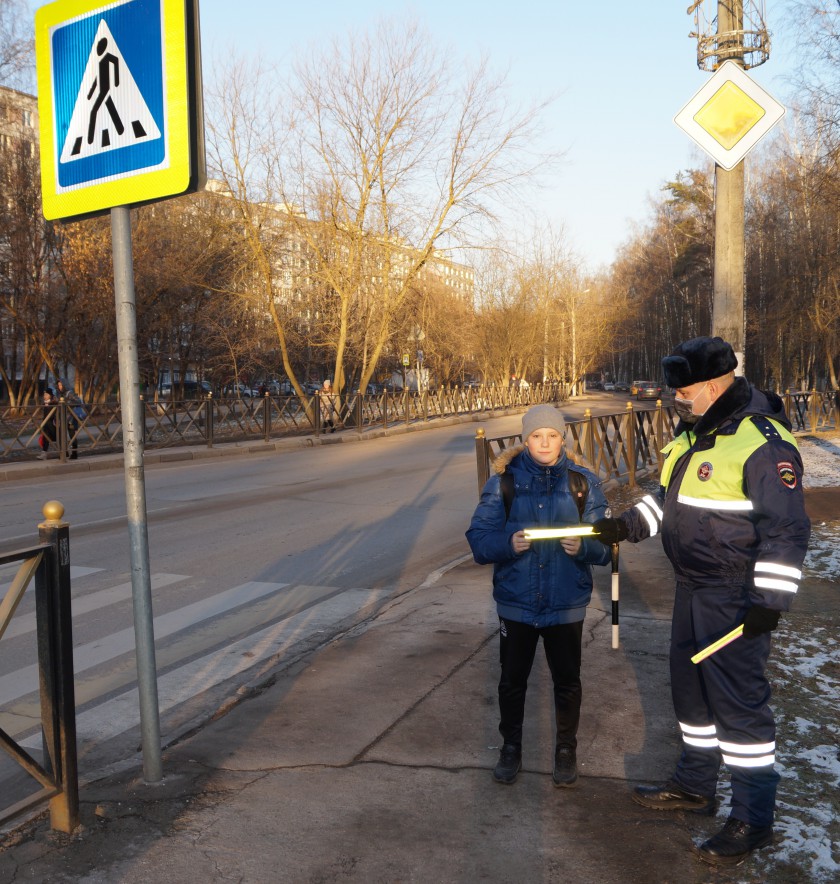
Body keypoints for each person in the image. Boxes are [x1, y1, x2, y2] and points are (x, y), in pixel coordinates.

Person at [593, 336, 810, 867]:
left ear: (714, 385)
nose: (676, 400)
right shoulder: (697, 434)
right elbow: (668, 499)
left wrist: (769, 601)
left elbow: (787, 529)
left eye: (684, 391)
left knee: (738, 707)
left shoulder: (763, 443)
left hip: (735, 596)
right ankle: (695, 785)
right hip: (692, 588)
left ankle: (752, 818)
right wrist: (626, 525)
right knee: (691, 696)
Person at [466, 404, 611, 787]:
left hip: (565, 603)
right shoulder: (504, 482)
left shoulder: (584, 483)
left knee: (567, 680)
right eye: (536, 436)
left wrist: (584, 547)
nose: (544, 443)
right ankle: (510, 747)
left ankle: (566, 749)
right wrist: (505, 543)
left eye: (552, 435)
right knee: (512, 680)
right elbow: (478, 540)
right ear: (525, 439)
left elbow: (607, 545)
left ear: (562, 438)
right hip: (517, 601)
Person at [56, 377, 83, 460]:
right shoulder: (60, 394)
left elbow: (78, 401)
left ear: (64, 385)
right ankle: (64, 453)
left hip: (71, 418)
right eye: (58, 385)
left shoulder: (69, 393)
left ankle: (74, 453)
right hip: (63, 418)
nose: (59, 387)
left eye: (61, 385)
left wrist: (67, 403)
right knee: (61, 435)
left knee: (72, 436)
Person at [38, 388, 58, 459]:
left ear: (50, 395)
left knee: (55, 438)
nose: (44, 396)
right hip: (46, 423)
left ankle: (63, 452)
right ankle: (44, 454)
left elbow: (55, 415)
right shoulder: (45, 403)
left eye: (46, 394)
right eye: (44, 394)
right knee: (45, 438)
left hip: (53, 424)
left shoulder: (54, 403)